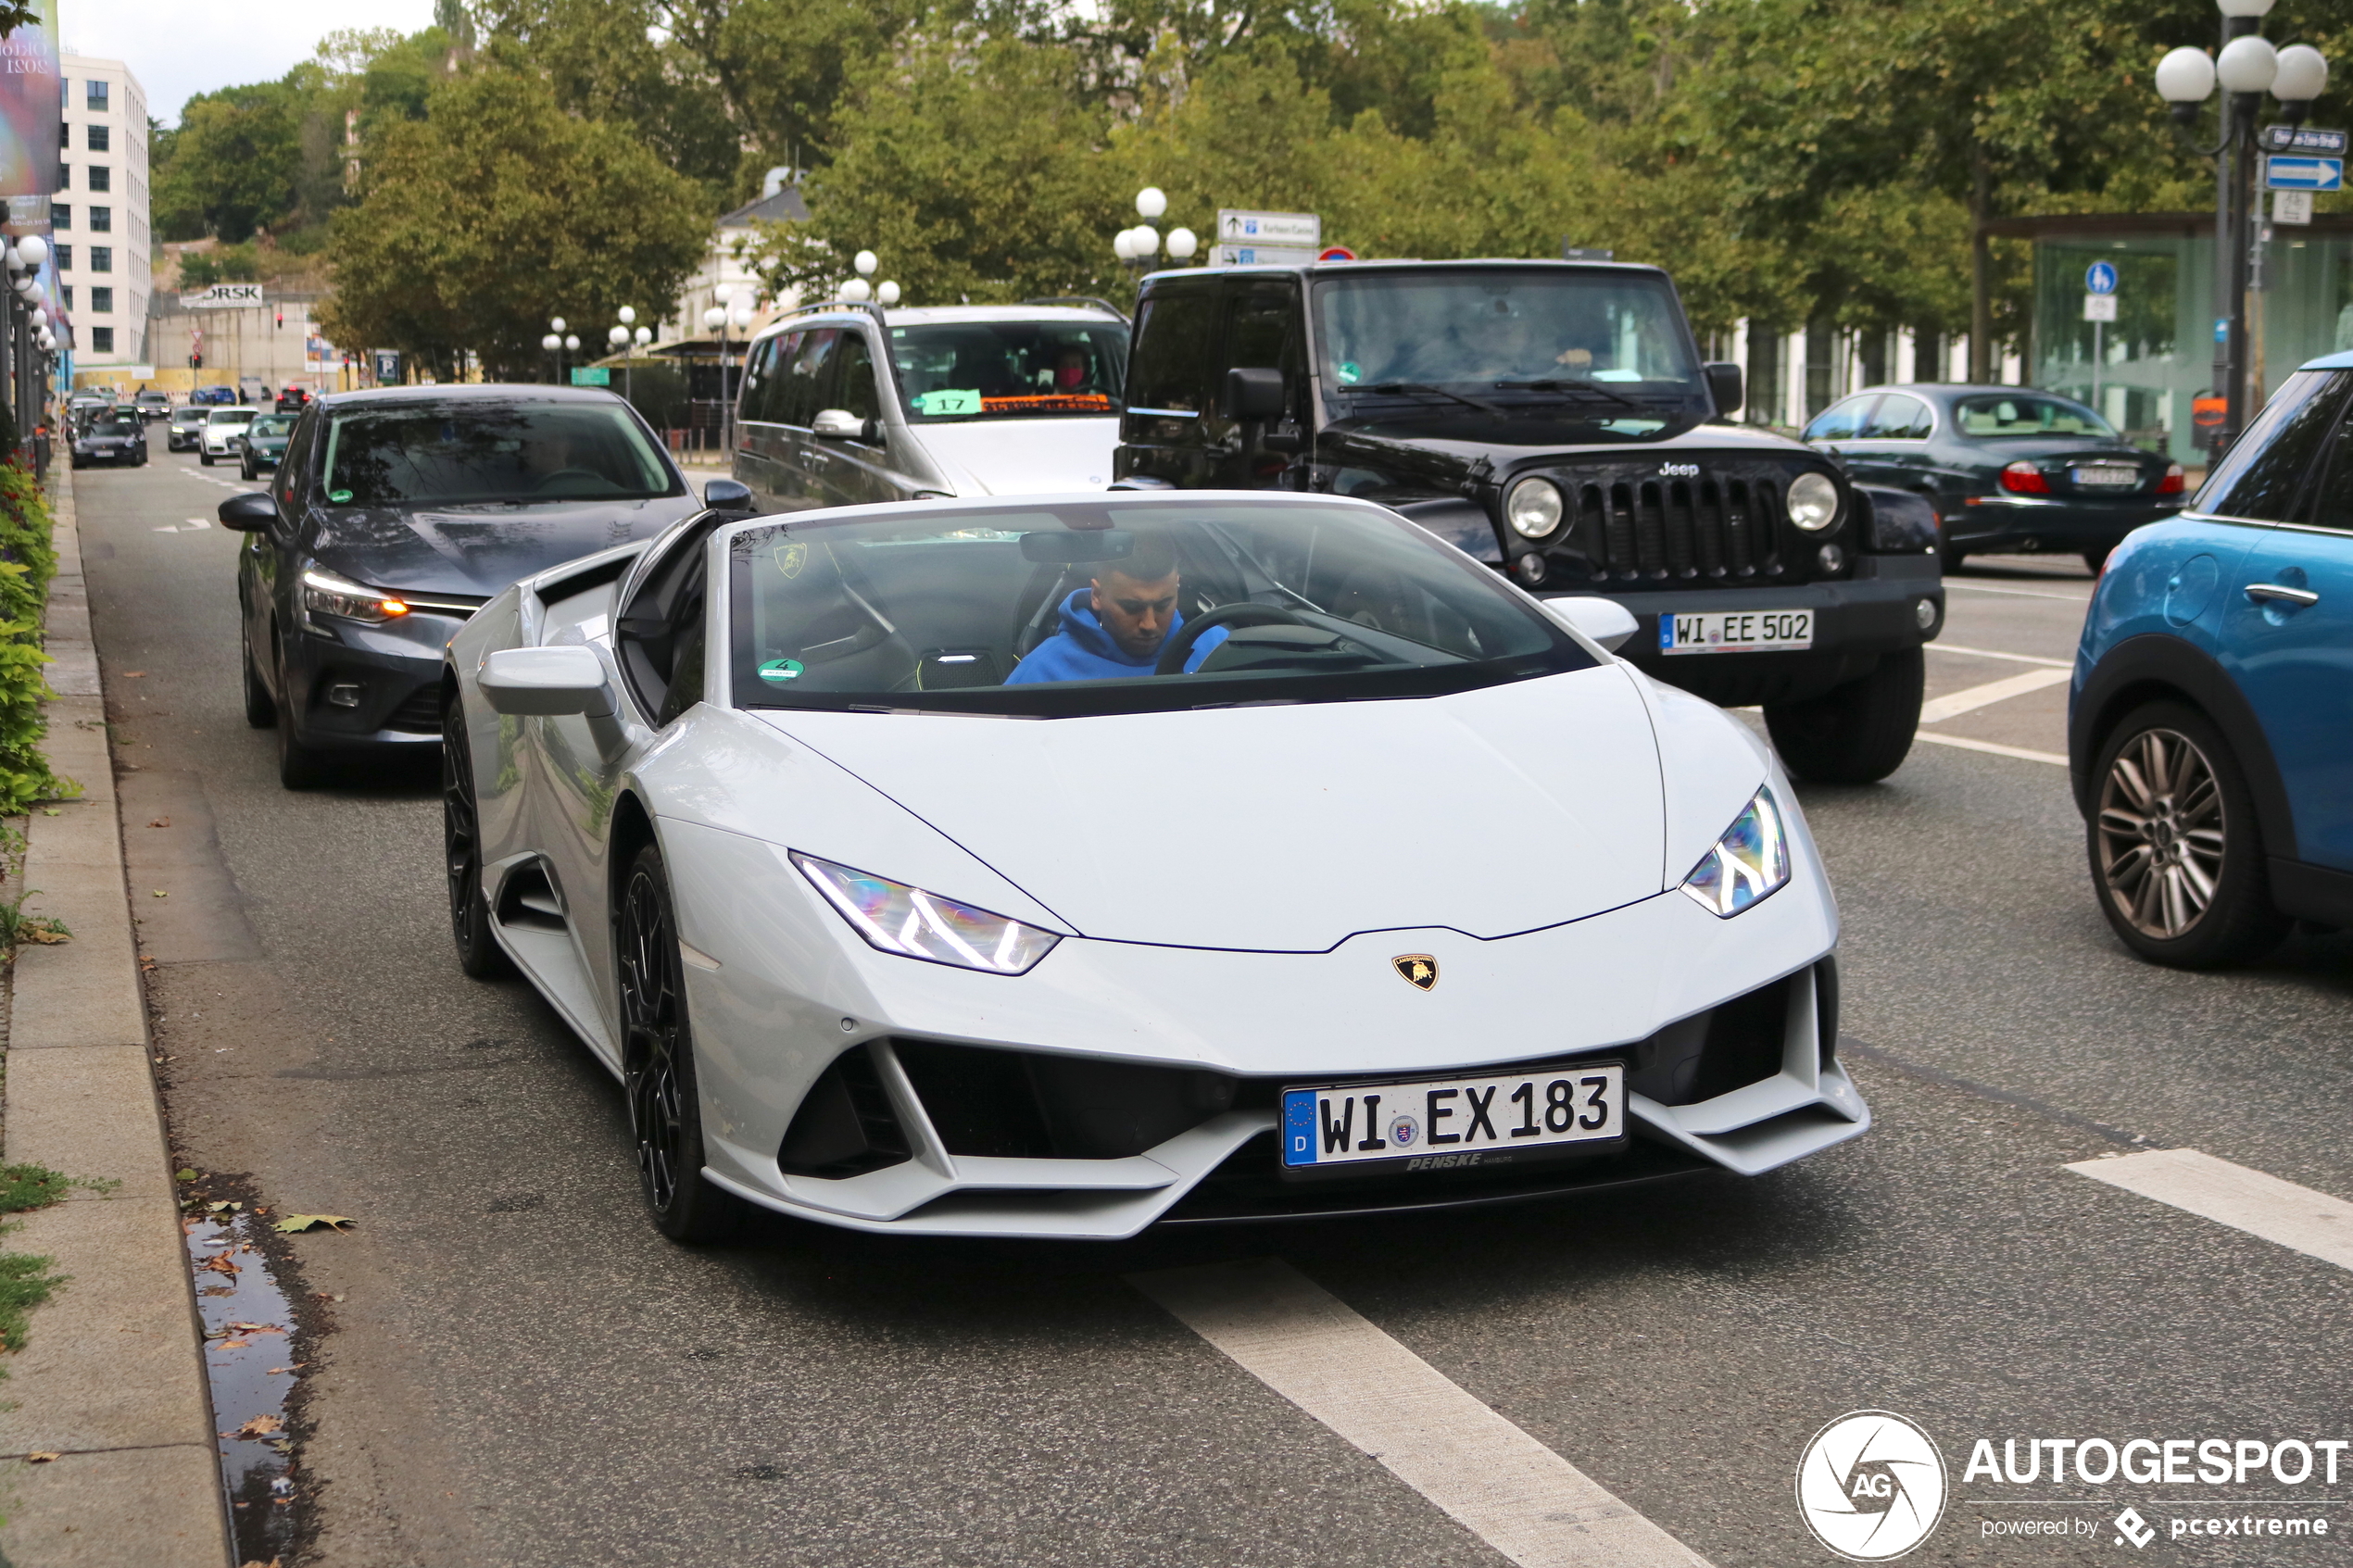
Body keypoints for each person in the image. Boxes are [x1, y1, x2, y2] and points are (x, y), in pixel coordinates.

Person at [1005, 530, 1230, 684]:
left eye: (1163, 605)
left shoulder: (1220, 649)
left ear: (1177, 586)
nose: (1149, 624)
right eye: (1132, 607)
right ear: (1097, 595)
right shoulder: (1042, 672)